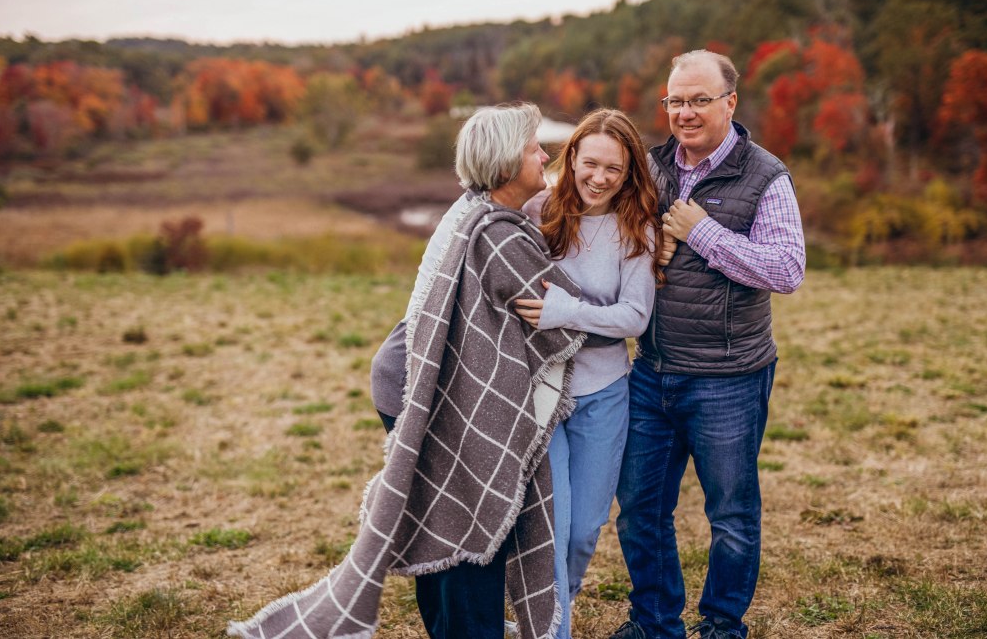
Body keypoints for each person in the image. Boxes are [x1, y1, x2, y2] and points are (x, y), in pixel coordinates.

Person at [228, 103, 587, 639]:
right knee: (472, 513)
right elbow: (567, 311)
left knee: (439, 508)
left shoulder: (470, 210)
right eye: (535, 148)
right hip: (427, 386)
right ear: (507, 162)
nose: (545, 157)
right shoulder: (501, 237)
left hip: (405, 376)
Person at [610, 50, 806, 639]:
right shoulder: (649, 165)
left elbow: (787, 269)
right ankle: (653, 622)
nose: (685, 113)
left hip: (729, 376)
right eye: (675, 101)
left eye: (699, 100)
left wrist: (703, 233)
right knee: (640, 509)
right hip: (651, 370)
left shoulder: (765, 175)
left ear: (730, 102)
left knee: (731, 515)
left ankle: (722, 624)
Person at [513, 108, 660, 639]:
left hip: (604, 390)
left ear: (629, 172)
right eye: (590, 163)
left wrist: (565, 311)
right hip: (542, 388)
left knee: (583, 530)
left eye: (614, 169)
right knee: (550, 527)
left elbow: (634, 317)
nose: (599, 178)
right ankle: (552, 627)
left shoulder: (636, 228)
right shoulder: (537, 211)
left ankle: (554, 607)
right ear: (571, 156)